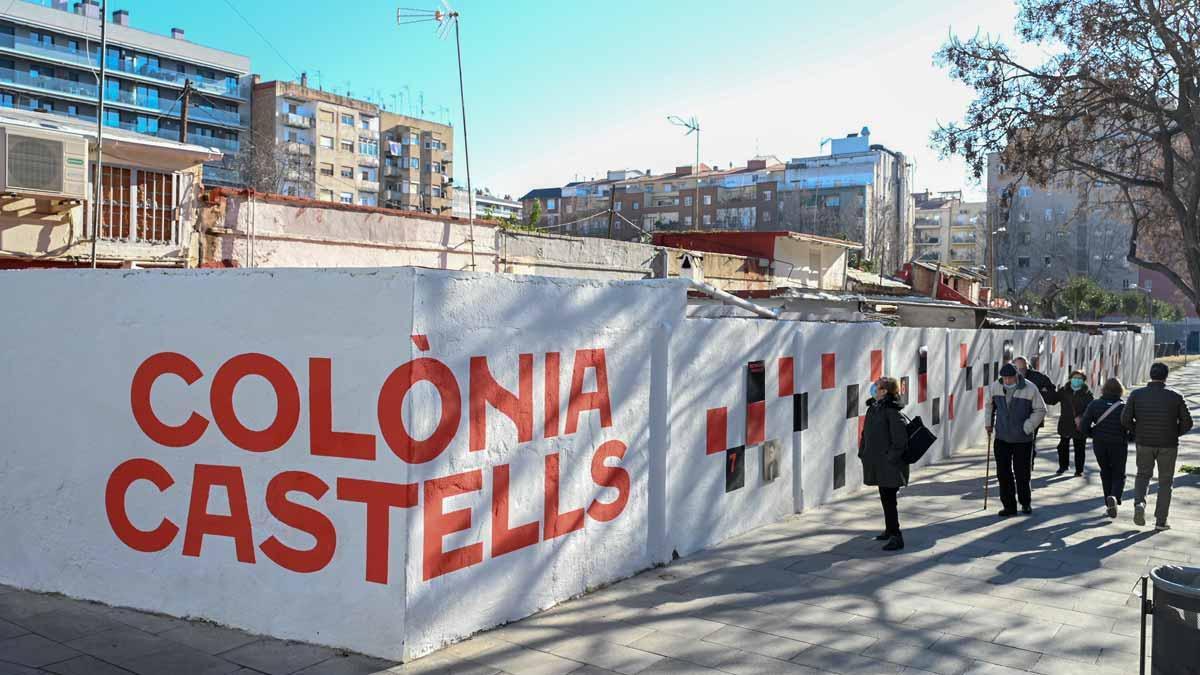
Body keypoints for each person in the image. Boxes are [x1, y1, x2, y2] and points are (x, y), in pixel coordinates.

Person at [1121, 362, 1193, 530]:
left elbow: (1125, 419)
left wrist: (1137, 431)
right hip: (1168, 444)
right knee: (1165, 482)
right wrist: (1175, 433)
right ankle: (1161, 521)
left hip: (1144, 442)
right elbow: (1188, 422)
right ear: (1165, 376)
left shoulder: (1137, 394)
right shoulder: (1175, 396)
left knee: (1142, 476)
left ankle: (1140, 503)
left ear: (1151, 375)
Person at [986, 363, 1047, 516]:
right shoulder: (995, 387)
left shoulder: (1029, 388)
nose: (1007, 381)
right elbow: (989, 405)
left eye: (1010, 378)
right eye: (1004, 378)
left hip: (1022, 439)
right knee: (1003, 473)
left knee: (1022, 473)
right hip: (1002, 437)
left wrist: (1028, 426)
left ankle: (1025, 503)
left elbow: (1041, 409)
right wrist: (989, 424)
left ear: (1016, 376)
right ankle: (1009, 506)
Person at [859, 377, 909, 551]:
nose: (873, 389)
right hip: (877, 461)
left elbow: (900, 440)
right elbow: (866, 432)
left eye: (877, 387)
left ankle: (897, 536)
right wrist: (862, 450)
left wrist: (890, 458)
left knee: (889, 499)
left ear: (885, 391)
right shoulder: (874, 408)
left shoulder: (891, 411)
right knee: (885, 497)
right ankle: (889, 530)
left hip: (889, 464)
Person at [1081, 378, 1132, 519]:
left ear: (1103, 389)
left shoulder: (1094, 404)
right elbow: (1132, 427)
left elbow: (1083, 426)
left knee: (1106, 471)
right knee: (1119, 473)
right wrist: (1129, 438)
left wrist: (1093, 434)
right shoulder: (1124, 407)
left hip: (1100, 444)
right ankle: (1114, 497)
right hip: (1119, 444)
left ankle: (1108, 501)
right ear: (1120, 390)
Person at [1013, 357, 1058, 466]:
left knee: (1029, 442)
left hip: (1033, 416)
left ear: (1027, 367)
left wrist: (1039, 395)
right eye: (1017, 369)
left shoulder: (1039, 377)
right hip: (1014, 416)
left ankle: (1028, 464)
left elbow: (1052, 396)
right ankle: (1017, 464)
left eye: (1022, 369)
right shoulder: (1009, 377)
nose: (1020, 372)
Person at [1054, 370, 1094, 476]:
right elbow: (1052, 400)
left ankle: (1079, 470)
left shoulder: (1087, 394)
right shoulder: (1064, 390)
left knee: (1079, 448)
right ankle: (1063, 466)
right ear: (1071, 379)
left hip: (1080, 425)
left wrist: (1082, 418)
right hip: (1065, 423)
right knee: (1063, 446)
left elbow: (1091, 409)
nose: (1077, 380)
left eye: (1079, 378)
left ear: (1083, 381)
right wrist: (1045, 390)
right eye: (1075, 378)